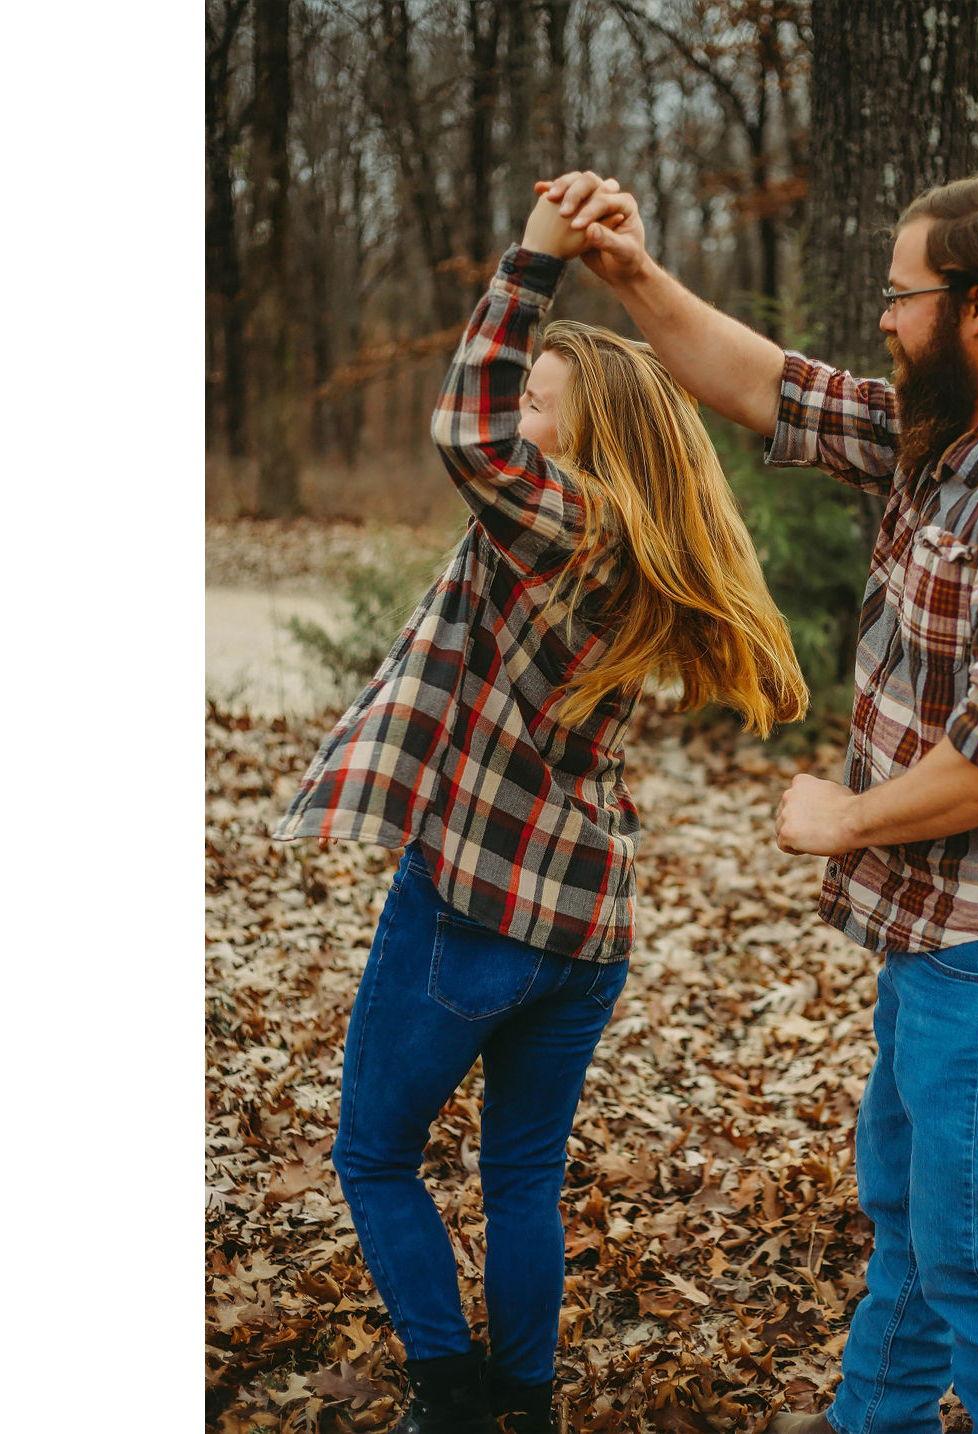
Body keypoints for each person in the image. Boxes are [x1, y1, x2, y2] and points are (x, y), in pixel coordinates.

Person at [536, 169, 978, 1434]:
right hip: (942, 939)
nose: (882, 316)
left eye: (901, 293)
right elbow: (767, 385)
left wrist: (848, 818)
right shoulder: (943, 441)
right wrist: (630, 274)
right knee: (917, 1232)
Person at [270, 185, 807, 1434]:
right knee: (520, 1173)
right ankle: (526, 1402)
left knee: (372, 1155)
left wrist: (532, 264)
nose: (516, 418)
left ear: (584, 434)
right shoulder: (642, 552)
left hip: (478, 908)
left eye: (537, 403)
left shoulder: (567, 528)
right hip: (587, 927)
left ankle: (451, 1397)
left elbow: (464, 436)